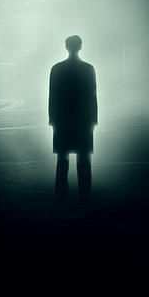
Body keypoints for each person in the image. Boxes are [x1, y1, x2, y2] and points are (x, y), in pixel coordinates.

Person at [48, 35, 98, 198]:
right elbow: (92, 96)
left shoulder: (56, 69)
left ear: (66, 47)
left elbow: (53, 96)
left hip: (63, 120)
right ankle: (85, 192)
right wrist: (93, 119)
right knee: (84, 158)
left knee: (62, 159)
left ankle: (61, 193)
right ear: (80, 47)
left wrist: (53, 118)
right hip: (83, 120)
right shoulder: (88, 69)